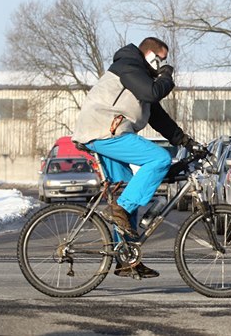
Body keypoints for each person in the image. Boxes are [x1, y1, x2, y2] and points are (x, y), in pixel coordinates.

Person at [72, 37, 199, 278]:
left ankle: (126, 260)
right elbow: (152, 94)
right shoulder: (129, 66)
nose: (163, 63)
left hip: (107, 132)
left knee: (125, 191)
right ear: (150, 55)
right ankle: (120, 210)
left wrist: (184, 140)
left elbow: (157, 115)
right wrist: (166, 75)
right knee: (159, 159)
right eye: (161, 59)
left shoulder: (139, 77)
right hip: (104, 131)